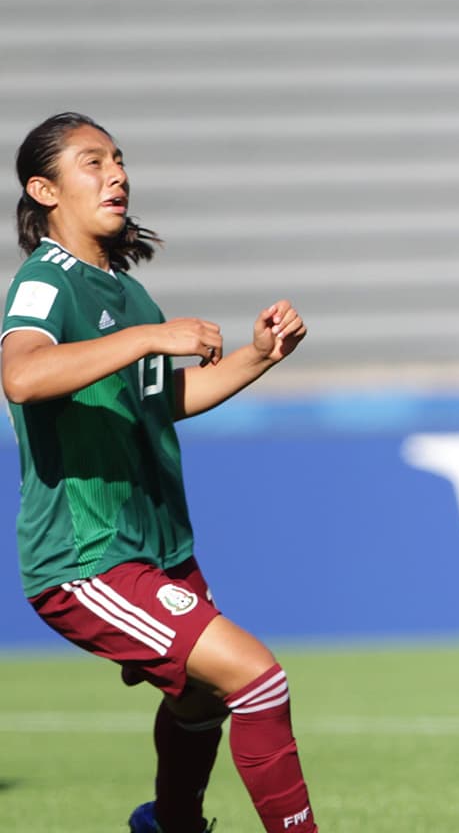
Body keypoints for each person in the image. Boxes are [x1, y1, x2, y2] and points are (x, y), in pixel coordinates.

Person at [1, 113, 320, 832]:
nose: (116, 174)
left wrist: (258, 356)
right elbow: (20, 376)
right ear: (43, 189)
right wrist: (153, 336)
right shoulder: (46, 283)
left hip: (156, 547)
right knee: (258, 679)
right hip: (86, 556)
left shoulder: (123, 291)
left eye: (118, 159)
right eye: (92, 162)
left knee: (202, 699)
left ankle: (170, 824)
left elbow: (157, 404)